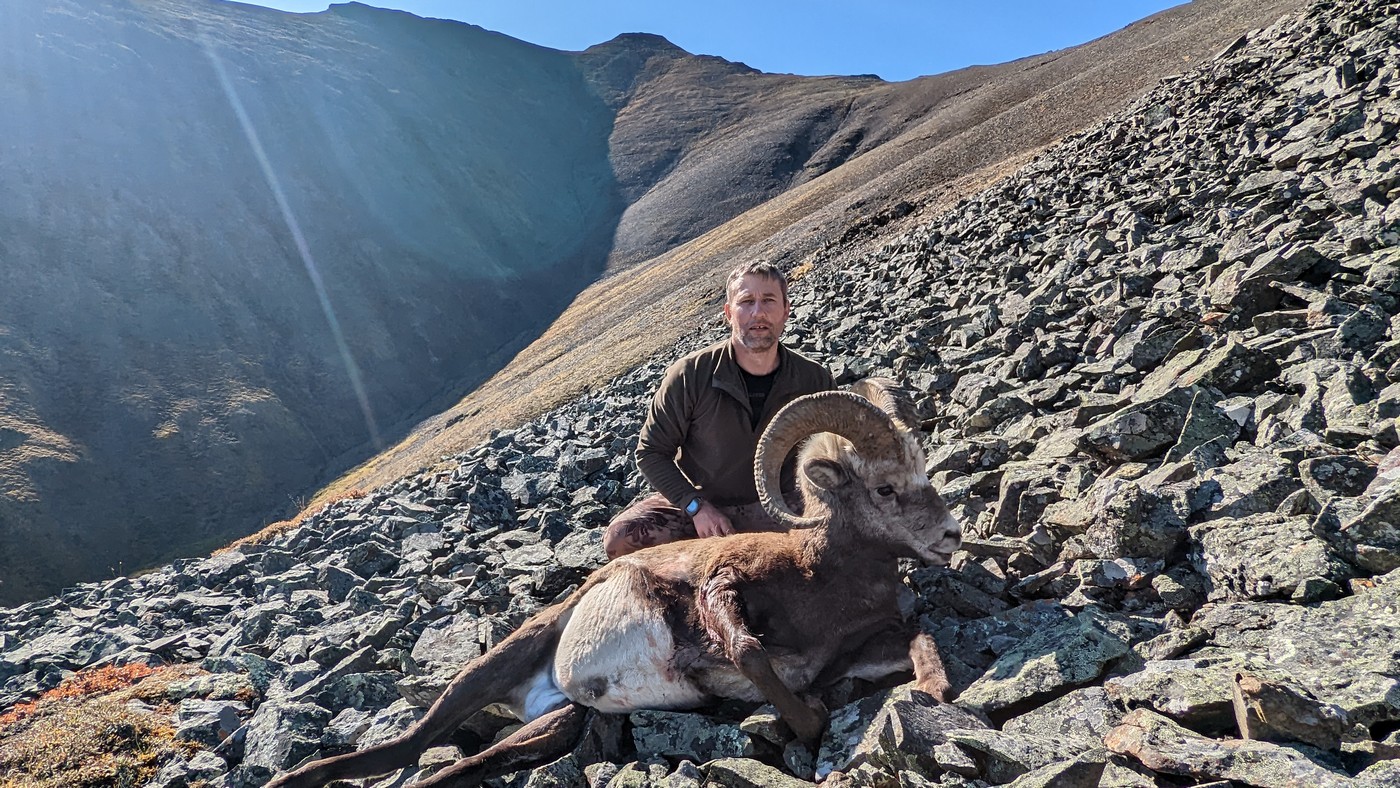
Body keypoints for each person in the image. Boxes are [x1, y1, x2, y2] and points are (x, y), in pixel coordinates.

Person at [603, 261, 835, 558]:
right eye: (746, 302)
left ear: (786, 310)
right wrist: (695, 506)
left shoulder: (814, 379)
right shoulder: (690, 375)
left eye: (768, 300)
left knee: (848, 526)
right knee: (621, 539)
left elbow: (833, 452)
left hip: (783, 507)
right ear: (729, 313)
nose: (758, 313)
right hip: (706, 510)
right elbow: (650, 452)